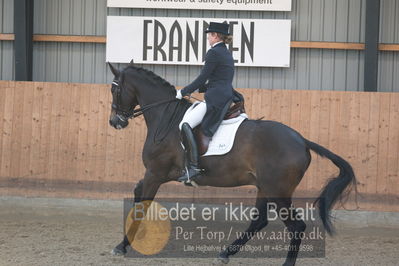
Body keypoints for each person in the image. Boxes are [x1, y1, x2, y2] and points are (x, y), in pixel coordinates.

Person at [175, 22, 236, 185]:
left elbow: (203, 78)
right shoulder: (226, 52)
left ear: (216, 35)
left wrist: (183, 91)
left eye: (209, 34)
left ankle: (193, 167)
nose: (208, 37)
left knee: (185, 124)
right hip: (225, 95)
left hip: (215, 99)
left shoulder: (214, 53)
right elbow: (219, 79)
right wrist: (202, 88)